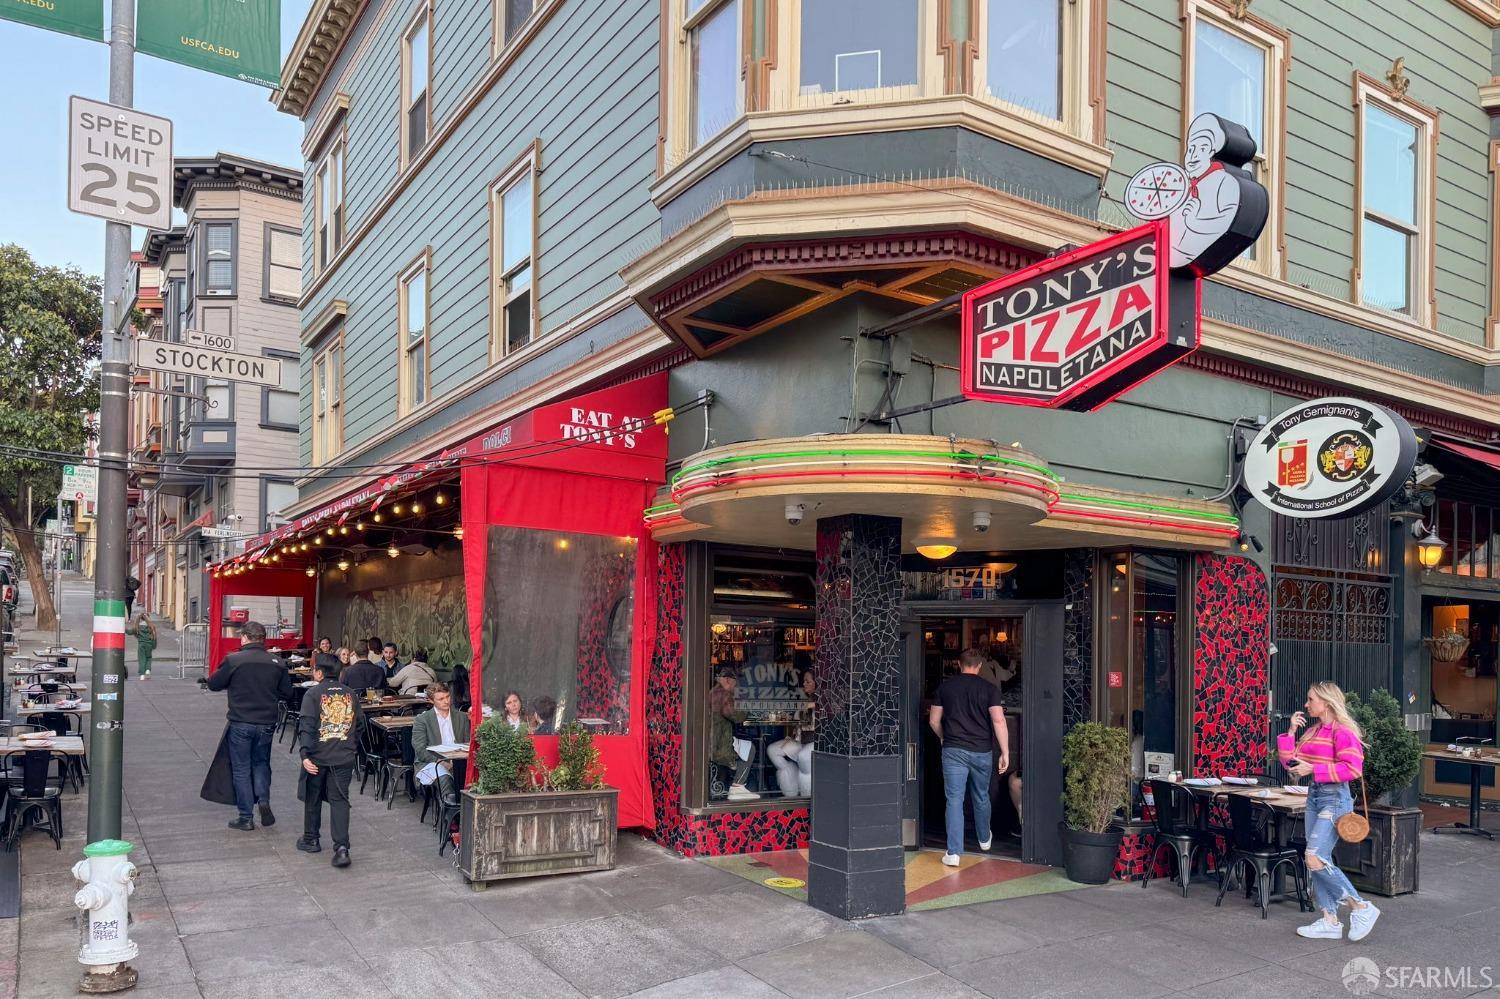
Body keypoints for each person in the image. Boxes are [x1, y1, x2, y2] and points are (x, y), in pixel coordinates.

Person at [1280, 682, 1380, 941]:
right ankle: (1330, 920)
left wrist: (1314, 770)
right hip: (1314, 797)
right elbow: (1289, 761)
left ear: (1325, 702)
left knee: (1313, 857)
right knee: (1317, 859)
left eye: (1310, 699)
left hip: (1334, 799)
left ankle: (1361, 906)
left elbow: (1353, 769)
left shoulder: (1343, 731)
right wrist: (1291, 731)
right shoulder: (1314, 731)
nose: (1306, 704)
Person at [205, 621, 294, 831]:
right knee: (261, 763)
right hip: (267, 722)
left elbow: (213, 684)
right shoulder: (277, 662)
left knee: (241, 768)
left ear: (244, 637)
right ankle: (263, 799)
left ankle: (246, 817)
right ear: (263, 639)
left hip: (241, 721)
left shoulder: (234, 660)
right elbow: (287, 693)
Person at [929, 648, 1009, 866]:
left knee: (954, 799)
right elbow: (999, 721)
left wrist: (944, 738)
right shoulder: (990, 689)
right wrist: (1005, 751)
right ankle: (984, 839)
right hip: (982, 751)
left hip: (954, 751)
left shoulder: (945, 687)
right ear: (980, 666)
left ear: (958, 663)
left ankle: (953, 853)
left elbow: (934, 720)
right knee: (981, 795)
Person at [296, 658, 364, 868]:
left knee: (312, 796)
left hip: (317, 756)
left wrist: (304, 755)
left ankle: (311, 838)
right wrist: (350, 745)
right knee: (340, 800)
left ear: (318, 673)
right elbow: (360, 724)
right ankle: (342, 847)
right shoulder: (351, 694)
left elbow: (306, 725)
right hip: (343, 757)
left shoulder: (313, 694)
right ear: (340, 672)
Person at [412, 681, 471, 797]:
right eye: (441, 699)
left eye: (448, 696)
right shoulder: (422, 720)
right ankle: (450, 813)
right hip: (431, 762)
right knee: (445, 779)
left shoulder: (462, 717)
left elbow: (468, 743)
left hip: (459, 761)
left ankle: (465, 810)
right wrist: (441, 761)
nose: (446, 701)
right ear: (431, 700)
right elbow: (421, 750)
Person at [709, 665, 759, 801]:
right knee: (751, 748)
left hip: (712, 742)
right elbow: (737, 716)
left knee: (743, 746)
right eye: (735, 685)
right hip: (719, 745)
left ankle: (733, 784)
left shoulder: (713, 691)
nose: (735, 688)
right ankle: (738, 786)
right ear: (727, 680)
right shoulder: (723, 694)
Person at [767, 667, 816, 798]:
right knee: (772, 750)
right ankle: (790, 790)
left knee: (804, 756)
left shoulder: (825, 699)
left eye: (808, 681)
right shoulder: (805, 699)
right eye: (804, 681)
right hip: (799, 739)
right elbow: (797, 718)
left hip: (816, 741)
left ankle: (807, 795)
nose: (804, 684)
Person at [128, 613, 157, 681]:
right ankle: (147, 670)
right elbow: (154, 637)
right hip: (149, 645)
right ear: (148, 618)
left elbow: (129, 632)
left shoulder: (137, 626)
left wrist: (123, 629)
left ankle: (142, 675)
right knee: (149, 658)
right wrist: (154, 645)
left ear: (141, 619)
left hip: (141, 646)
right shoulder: (152, 626)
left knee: (141, 659)